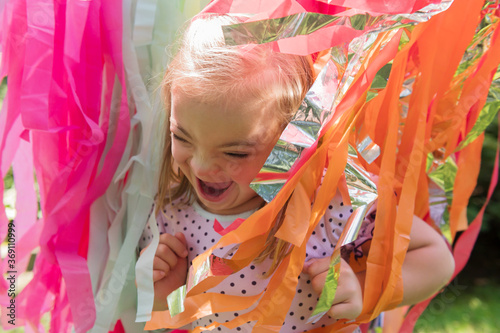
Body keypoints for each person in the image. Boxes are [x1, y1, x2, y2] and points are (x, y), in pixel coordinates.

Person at [138, 14, 455, 332]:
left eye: (236, 152)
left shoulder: (329, 207)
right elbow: (177, 317)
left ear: (293, 142)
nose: (201, 166)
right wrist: (165, 295)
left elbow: (437, 260)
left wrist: (361, 288)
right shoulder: (168, 213)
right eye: (182, 137)